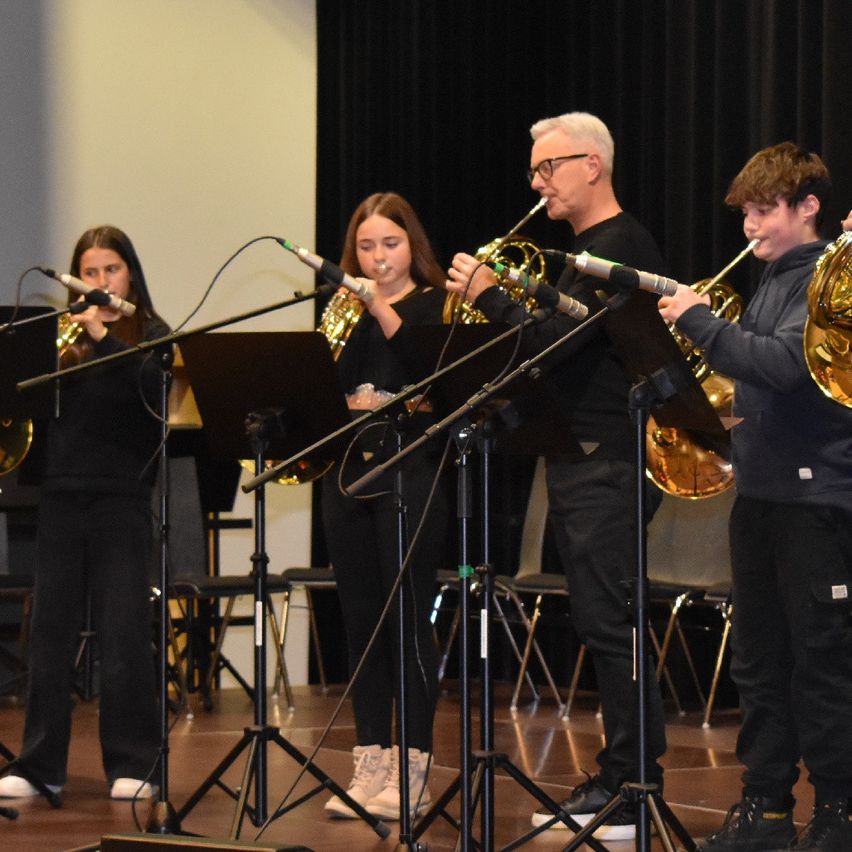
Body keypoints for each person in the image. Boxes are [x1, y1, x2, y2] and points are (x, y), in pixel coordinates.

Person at [446, 111, 667, 842]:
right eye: (535, 171)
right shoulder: (578, 253)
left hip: (609, 458)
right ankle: (617, 774)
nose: (538, 184)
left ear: (592, 166)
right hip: (579, 456)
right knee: (600, 624)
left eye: (550, 168)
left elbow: (557, 348)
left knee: (613, 624)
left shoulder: (620, 246)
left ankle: (636, 786)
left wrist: (490, 296)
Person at [659, 143, 852, 851]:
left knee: (822, 661)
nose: (750, 227)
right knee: (760, 661)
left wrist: (700, 323)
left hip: (820, 500)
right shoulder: (773, 274)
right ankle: (766, 805)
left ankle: (839, 811)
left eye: (765, 211)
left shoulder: (835, 276)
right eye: (745, 212)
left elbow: (784, 365)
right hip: (762, 494)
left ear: (809, 208)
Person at [0, 226, 168, 801]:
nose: (100, 283)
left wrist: (102, 336)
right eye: (90, 272)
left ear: (131, 275)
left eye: (111, 271)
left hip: (122, 496)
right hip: (61, 494)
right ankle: (39, 765)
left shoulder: (151, 335)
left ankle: (135, 763)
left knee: (123, 632)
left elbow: (150, 392)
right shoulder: (57, 335)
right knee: (49, 633)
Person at [321, 192, 448, 821]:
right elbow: (324, 385)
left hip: (410, 469)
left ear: (411, 246)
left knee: (407, 624)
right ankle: (369, 763)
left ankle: (414, 767)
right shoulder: (342, 312)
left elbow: (433, 374)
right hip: (347, 471)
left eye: (389, 244)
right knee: (362, 623)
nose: (377, 258)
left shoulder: (434, 305)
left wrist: (381, 308)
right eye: (366, 247)